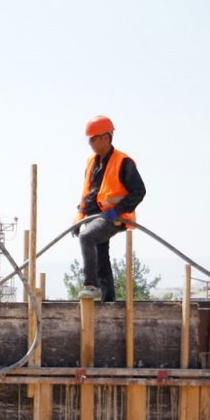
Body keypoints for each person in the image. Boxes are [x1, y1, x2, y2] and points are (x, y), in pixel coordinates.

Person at [75, 115, 146, 301]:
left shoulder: (123, 162)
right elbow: (88, 193)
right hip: (93, 216)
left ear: (105, 138)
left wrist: (117, 211)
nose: (90, 143)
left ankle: (91, 286)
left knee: (87, 237)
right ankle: (108, 299)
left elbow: (139, 191)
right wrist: (79, 218)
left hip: (113, 216)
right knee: (100, 256)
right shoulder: (92, 163)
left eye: (93, 139)